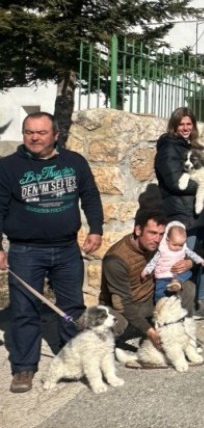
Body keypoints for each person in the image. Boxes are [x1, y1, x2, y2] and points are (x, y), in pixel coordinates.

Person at [0, 112, 104, 394]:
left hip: (67, 248)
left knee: (71, 308)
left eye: (41, 132)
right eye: (28, 132)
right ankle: (24, 367)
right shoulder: (8, 167)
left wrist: (96, 229)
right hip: (25, 251)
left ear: (55, 135)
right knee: (24, 310)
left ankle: (71, 357)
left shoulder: (74, 162)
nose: (34, 137)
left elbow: (90, 196)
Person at [101, 209, 196, 352]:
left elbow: (184, 253)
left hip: (151, 299)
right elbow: (121, 303)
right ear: (138, 230)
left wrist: (189, 263)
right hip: (126, 304)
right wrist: (149, 331)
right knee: (112, 325)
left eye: (161, 234)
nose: (157, 239)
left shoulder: (160, 244)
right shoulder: (116, 259)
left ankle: (182, 333)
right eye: (152, 233)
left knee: (187, 287)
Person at [154, 107, 204, 320]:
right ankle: (175, 305)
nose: (186, 128)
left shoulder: (190, 146)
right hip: (182, 212)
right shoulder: (168, 148)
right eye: (182, 124)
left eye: (189, 124)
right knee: (181, 261)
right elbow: (173, 182)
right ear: (174, 125)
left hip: (197, 212)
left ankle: (200, 301)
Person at [141, 221, 204, 302]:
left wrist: (199, 260)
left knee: (188, 273)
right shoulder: (162, 250)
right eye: (175, 245)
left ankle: (176, 282)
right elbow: (153, 262)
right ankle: (159, 305)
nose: (178, 247)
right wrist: (146, 270)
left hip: (177, 274)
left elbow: (192, 254)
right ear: (168, 240)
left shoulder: (183, 248)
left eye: (180, 245)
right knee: (160, 293)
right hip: (163, 275)